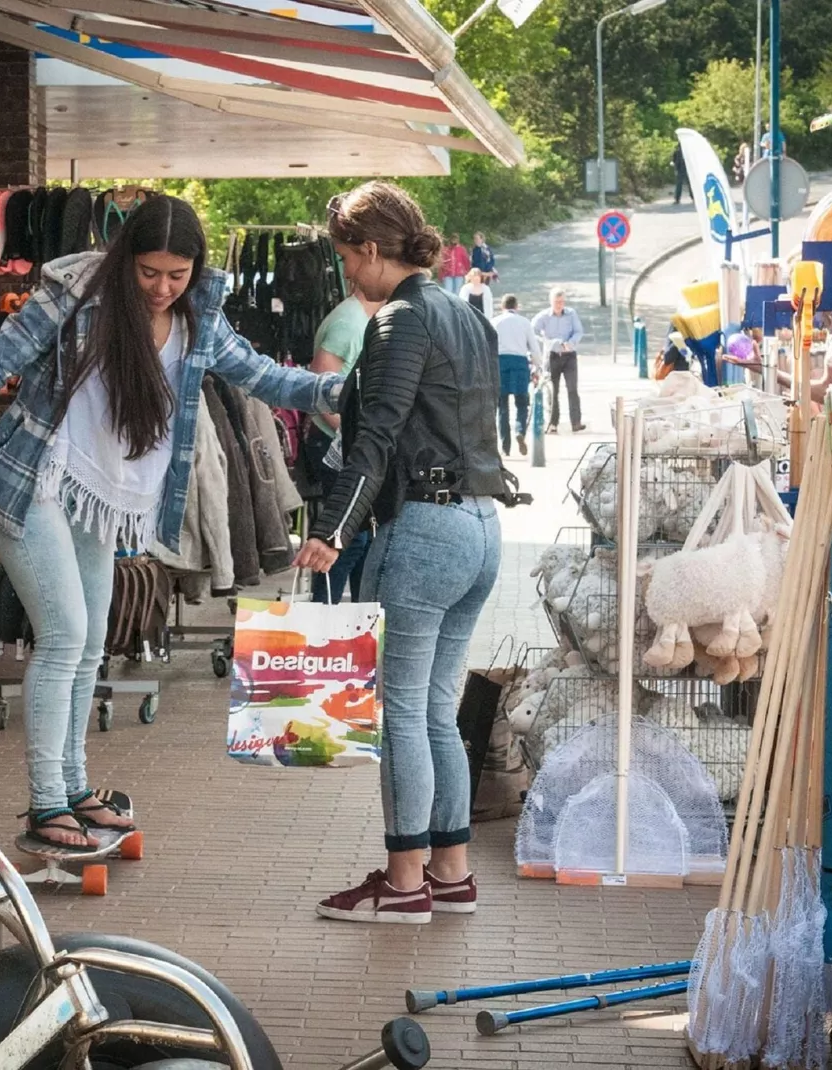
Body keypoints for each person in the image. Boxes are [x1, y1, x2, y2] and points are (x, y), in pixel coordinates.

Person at [0, 195, 342, 851]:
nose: (162, 288)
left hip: (99, 491)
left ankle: (76, 790)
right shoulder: (75, 292)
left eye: (177, 275)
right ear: (125, 259)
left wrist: (340, 392)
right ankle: (44, 804)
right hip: (34, 476)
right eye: (149, 272)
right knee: (65, 637)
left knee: (91, 644)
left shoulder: (198, 311)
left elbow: (262, 377)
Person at [294, 181, 506, 924]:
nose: (349, 276)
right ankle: (451, 874)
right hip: (482, 528)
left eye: (350, 259)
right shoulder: (466, 315)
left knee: (403, 714)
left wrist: (332, 529)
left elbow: (376, 436)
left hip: (423, 532)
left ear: (374, 250)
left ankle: (404, 881)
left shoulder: (398, 323)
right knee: (437, 711)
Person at [303, 286, 383, 603]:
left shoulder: (359, 319)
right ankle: (324, 611)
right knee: (348, 537)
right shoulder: (349, 323)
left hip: (345, 445)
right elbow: (321, 390)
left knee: (360, 537)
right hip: (335, 447)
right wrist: (356, 438)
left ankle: (351, 619)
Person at [491, 294, 541, 456]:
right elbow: (534, 348)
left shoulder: (495, 322)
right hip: (519, 363)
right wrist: (537, 367)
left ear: (502, 307)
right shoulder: (524, 322)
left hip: (500, 363)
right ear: (517, 307)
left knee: (502, 406)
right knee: (522, 402)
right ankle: (520, 430)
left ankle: (505, 447)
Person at [533, 288, 585, 433]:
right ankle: (553, 423)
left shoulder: (571, 313)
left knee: (572, 389)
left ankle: (576, 422)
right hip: (552, 355)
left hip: (569, 355)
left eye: (562, 302)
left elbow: (579, 331)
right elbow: (533, 331)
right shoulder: (544, 316)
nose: (559, 305)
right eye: (556, 302)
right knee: (553, 391)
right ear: (551, 302)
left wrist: (572, 342)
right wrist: (549, 342)